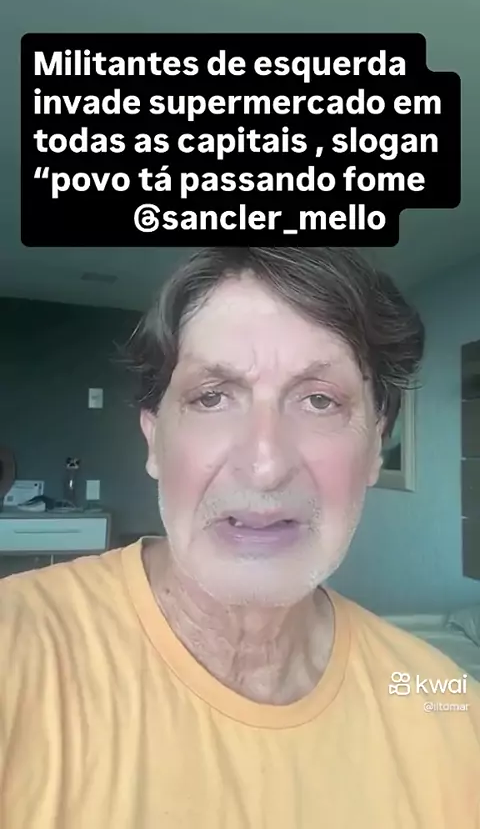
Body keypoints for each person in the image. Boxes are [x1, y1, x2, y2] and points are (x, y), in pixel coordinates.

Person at [1, 246, 479, 828]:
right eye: (212, 397)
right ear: (154, 440)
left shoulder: (450, 711)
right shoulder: (15, 652)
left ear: (376, 445)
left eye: (319, 400)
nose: (264, 465)